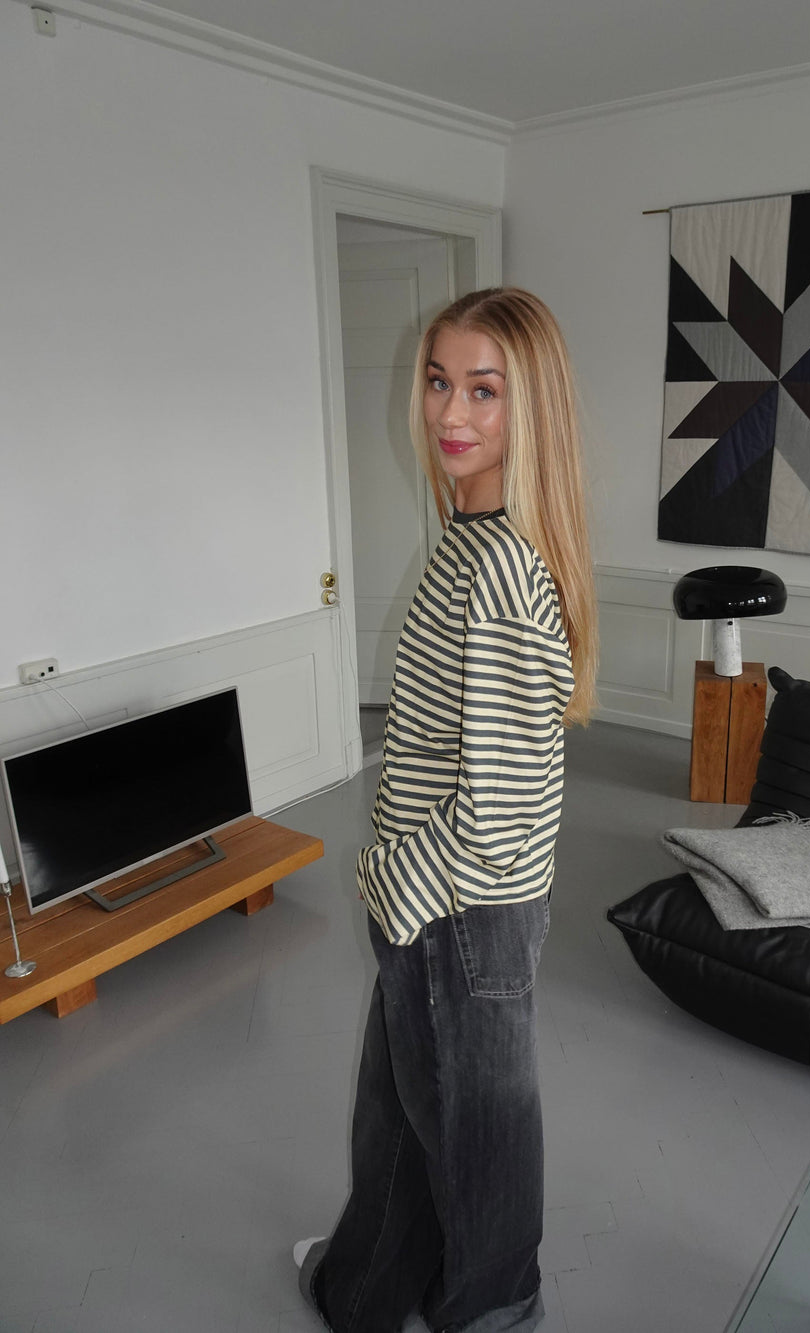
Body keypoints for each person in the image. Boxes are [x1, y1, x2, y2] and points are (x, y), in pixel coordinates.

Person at [296, 287, 598, 1333]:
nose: (450, 413)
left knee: (476, 1135)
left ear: (532, 408)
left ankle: (495, 1312)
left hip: (459, 909)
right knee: (402, 1114)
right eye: (438, 381)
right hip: (447, 906)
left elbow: (500, 813)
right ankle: (365, 1288)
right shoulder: (469, 538)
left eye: (484, 390)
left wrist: (393, 883)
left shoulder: (500, 570)